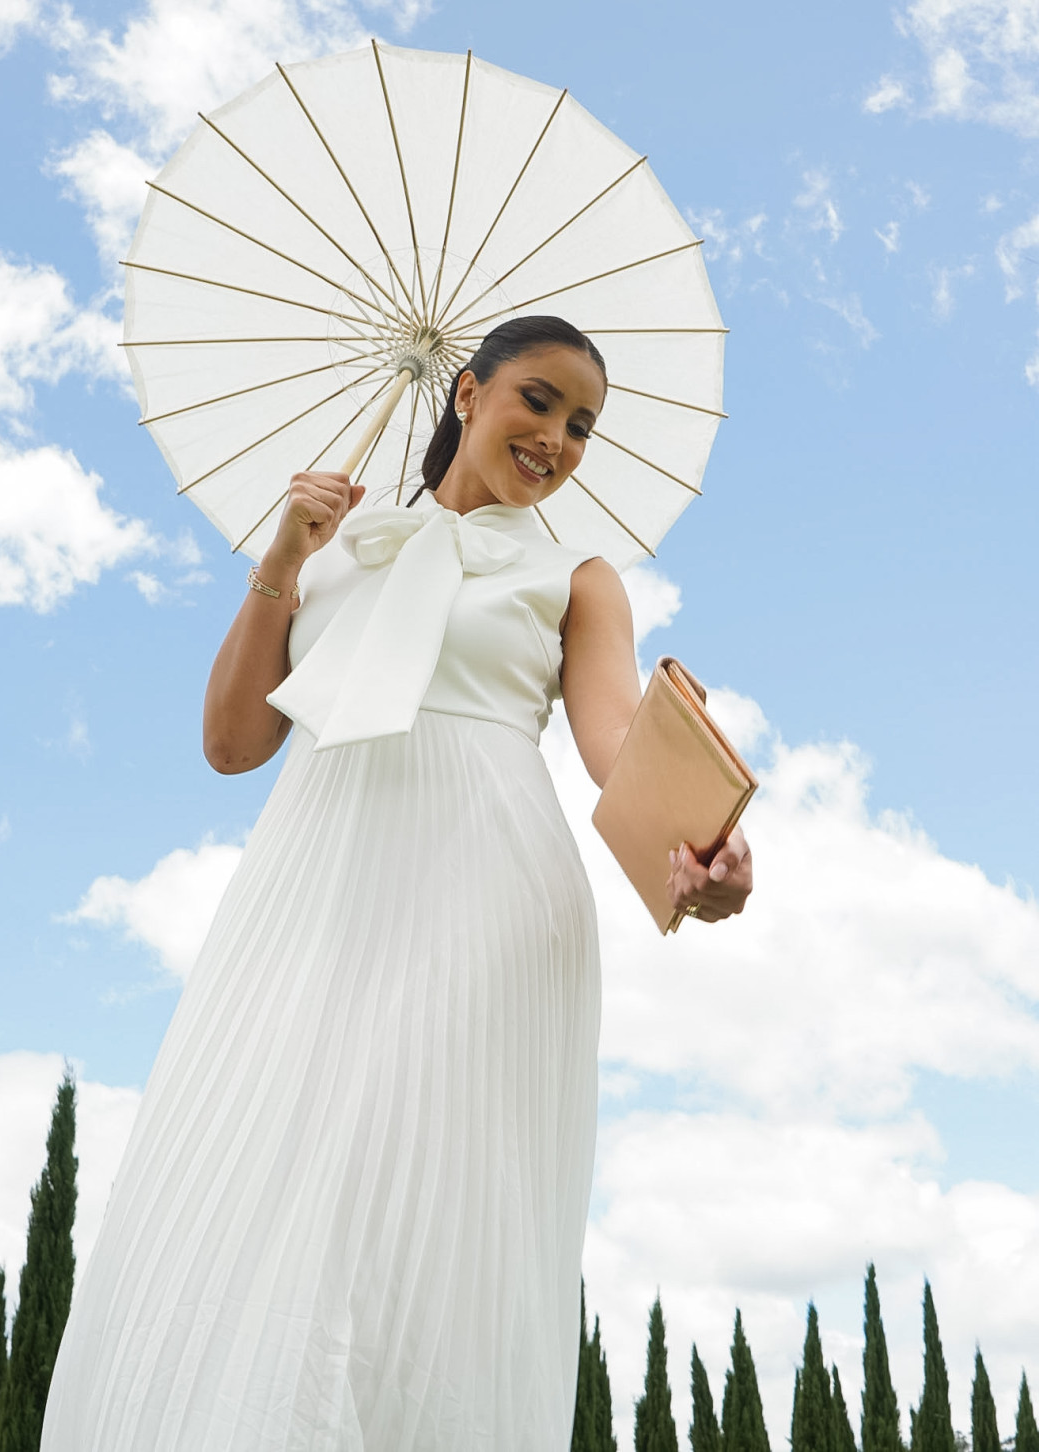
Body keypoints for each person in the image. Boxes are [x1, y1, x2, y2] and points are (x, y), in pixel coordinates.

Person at [40, 315, 752, 1451]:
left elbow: (617, 745)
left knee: (430, 1194)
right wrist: (285, 559)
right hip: (312, 885)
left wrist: (698, 837)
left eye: (582, 425)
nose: (558, 438)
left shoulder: (579, 578)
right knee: (262, 1166)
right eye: (538, 400)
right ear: (467, 393)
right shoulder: (335, 544)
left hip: (490, 890)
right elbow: (230, 744)